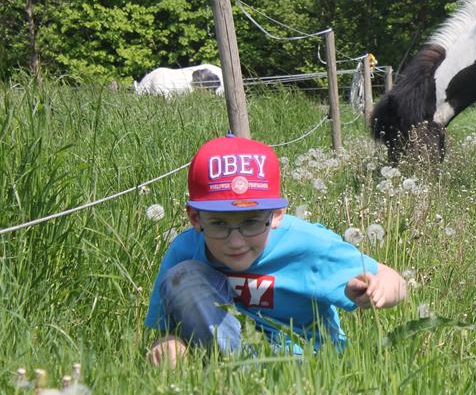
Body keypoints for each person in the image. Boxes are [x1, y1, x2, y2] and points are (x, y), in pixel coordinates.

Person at [145, 134, 407, 365]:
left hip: (306, 360)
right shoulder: (185, 250)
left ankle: (253, 374)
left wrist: (378, 289)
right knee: (184, 276)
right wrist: (168, 343)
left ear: (278, 214)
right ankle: (240, 371)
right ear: (195, 218)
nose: (236, 242)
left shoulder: (307, 244)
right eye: (219, 223)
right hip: (229, 354)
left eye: (251, 222)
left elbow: (394, 281)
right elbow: (165, 328)